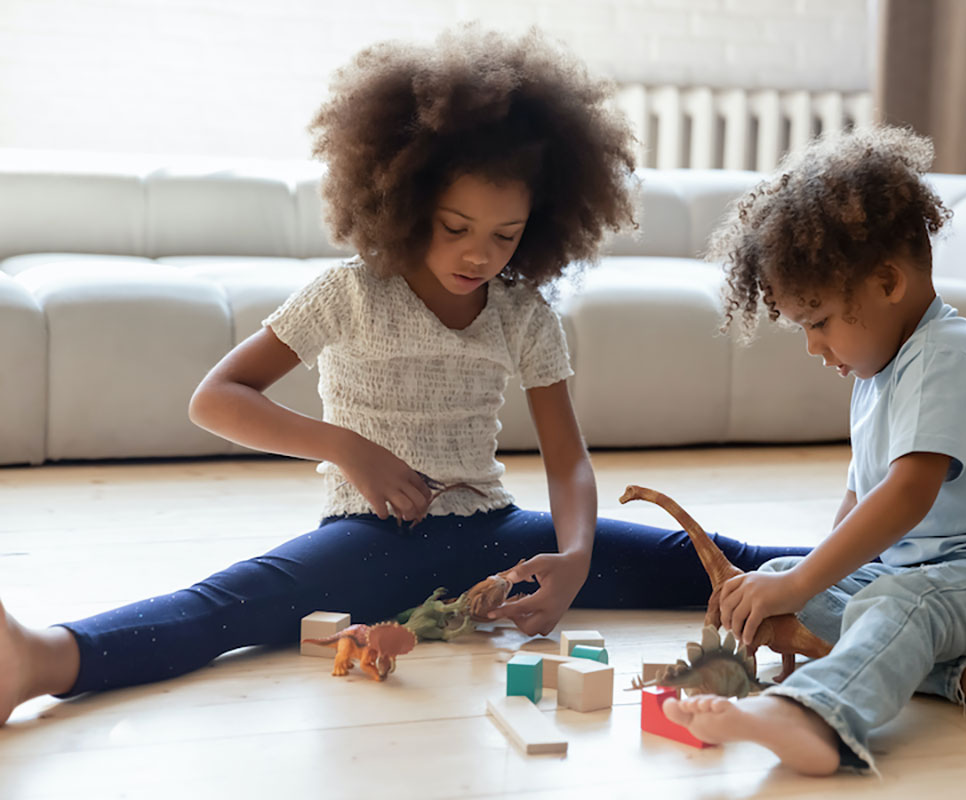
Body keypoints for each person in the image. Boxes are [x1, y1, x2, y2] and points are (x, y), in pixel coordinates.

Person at [0, 26, 813, 726]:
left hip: (498, 536)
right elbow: (215, 398)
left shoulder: (522, 312)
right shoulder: (350, 293)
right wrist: (347, 448)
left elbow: (567, 458)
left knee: (707, 558)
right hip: (368, 541)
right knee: (229, 608)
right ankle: (37, 661)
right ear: (405, 197)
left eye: (505, 235)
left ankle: (884, 567)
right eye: (456, 226)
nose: (478, 254)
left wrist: (570, 556)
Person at [662, 127, 966, 776]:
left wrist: (804, 581)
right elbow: (858, 501)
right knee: (791, 580)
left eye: (818, 322)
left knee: (883, 599)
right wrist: (794, 581)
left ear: (888, 282)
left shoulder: (948, 352)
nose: (813, 347)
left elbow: (906, 495)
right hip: (938, 580)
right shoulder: (878, 372)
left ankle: (815, 716)